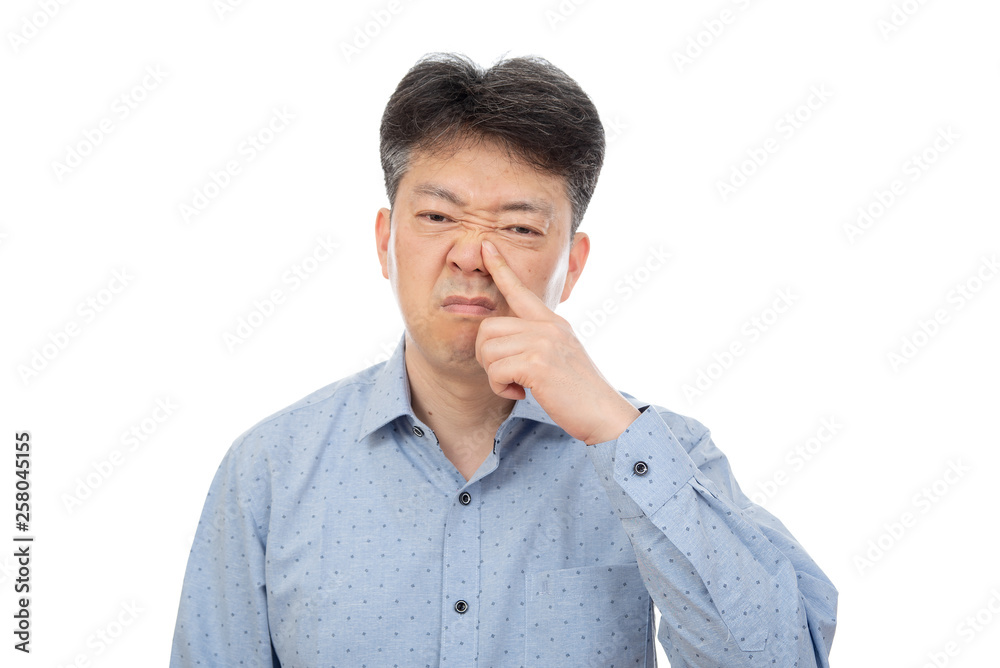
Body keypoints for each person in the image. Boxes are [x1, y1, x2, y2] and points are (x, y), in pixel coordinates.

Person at [169, 52, 837, 667]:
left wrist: (613, 428)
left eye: (518, 228)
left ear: (571, 266)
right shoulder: (270, 471)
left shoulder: (663, 455)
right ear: (385, 242)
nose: (471, 256)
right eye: (437, 217)